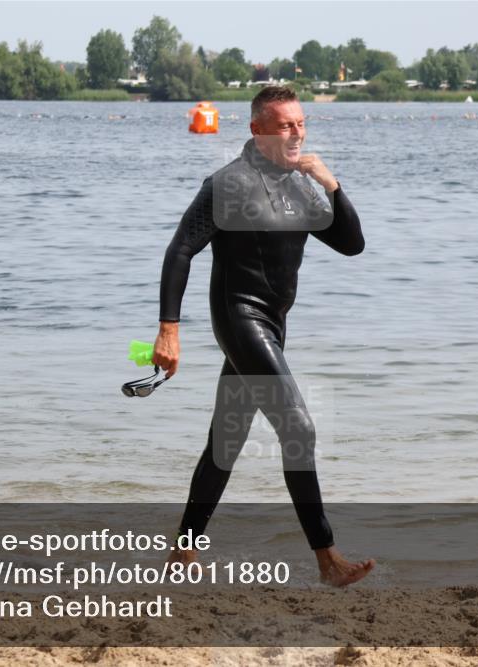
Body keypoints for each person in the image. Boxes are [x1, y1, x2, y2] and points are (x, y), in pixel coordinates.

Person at [155, 86, 375, 587]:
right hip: (239, 318)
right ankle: (327, 559)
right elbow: (181, 250)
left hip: (272, 325)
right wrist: (169, 329)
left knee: (224, 443)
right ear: (257, 130)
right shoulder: (228, 184)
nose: (296, 132)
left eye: (300, 124)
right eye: (285, 125)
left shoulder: (299, 186)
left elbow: (352, 244)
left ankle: (182, 555)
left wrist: (332, 185)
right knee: (298, 428)